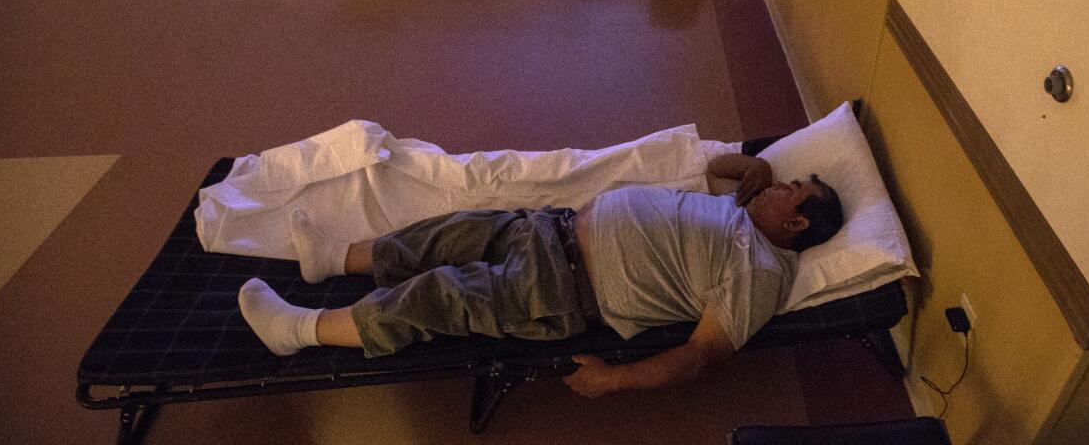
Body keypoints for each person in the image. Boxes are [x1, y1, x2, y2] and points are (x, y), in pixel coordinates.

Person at [237, 152, 844, 398]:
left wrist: (610, 382)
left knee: (439, 296)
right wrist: (761, 170)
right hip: (548, 231)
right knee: (445, 232)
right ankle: (332, 260)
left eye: (796, 190)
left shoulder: (761, 270)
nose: (786, 184)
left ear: (794, 223)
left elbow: (701, 355)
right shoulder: (741, 210)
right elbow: (720, 164)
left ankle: (299, 330)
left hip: (560, 292)